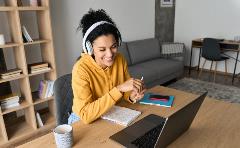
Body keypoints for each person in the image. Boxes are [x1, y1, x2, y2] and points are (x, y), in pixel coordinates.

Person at [68, 9, 146, 124]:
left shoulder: (120, 59)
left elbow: (125, 91)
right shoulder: (80, 70)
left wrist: (132, 95)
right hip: (83, 120)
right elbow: (85, 114)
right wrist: (118, 89)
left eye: (113, 46)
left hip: (111, 112)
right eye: (102, 49)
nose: (110, 54)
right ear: (89, 48)